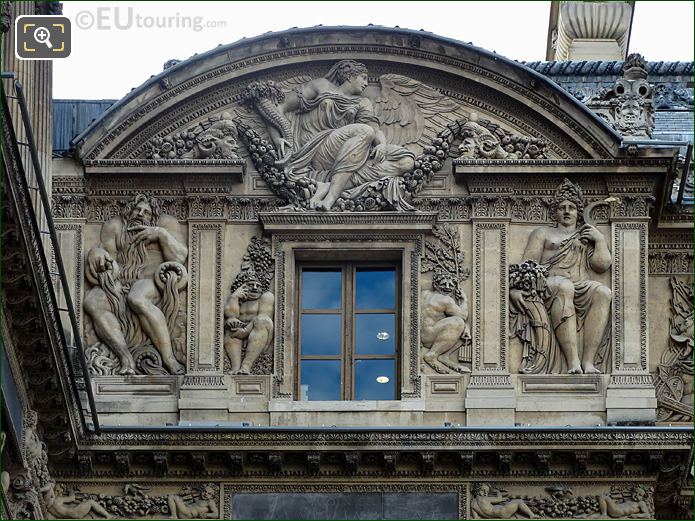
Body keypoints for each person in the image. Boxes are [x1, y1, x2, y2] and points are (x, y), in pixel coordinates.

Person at [260, 60, 415, 210]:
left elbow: (374, 129)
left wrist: (382, 144)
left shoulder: (363, 102)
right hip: (319, 149)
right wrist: (277, 138)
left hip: (350, 151)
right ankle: (331, 197)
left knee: (407, 162)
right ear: (350, 76)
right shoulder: (321, 85)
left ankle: (329, 185)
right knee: (364, 131)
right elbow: (278, 108)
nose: (367, 83)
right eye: (364, 78)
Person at [510, 179, 612, 374]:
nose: (567, 211)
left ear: (579, 212)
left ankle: (588, 363)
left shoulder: (585, 236)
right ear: (554, 212)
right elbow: (527, 266)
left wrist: (599, 240)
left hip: (580, 285)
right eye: (562, 207)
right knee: (565, 287)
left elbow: (602, 265)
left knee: (603, 292)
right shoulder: (543, 233)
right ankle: (573, 362)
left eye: (572, 208)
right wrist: (517, 288)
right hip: (550, 285)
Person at [84, 194, 188, 375]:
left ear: (153, 216)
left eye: (146, 212)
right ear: (129, 211)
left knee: (137, 298)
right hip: (121, 281)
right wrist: (98, 253)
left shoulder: (167, 224)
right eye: (137, 210)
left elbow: (179, 257)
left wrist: (160, 234)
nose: (140, 214)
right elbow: (111, 261)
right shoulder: (115, 227)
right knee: (92, 301)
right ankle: (125, 358)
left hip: (152, 280)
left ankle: (169, 359)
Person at [223, 270, 274, 374]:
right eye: (251, 285)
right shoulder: (240, 300)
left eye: (258, 285)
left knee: (262, 321)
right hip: (240, 334)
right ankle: (236, 368)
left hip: (260, 334)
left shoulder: (266, 297)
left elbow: (263, 316)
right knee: (230, 326)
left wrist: (245, 331)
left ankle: (246, 366)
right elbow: (231, 315)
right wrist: (234, 297)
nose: (255, 288)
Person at [421, 270, 471, 374]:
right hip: (431, 337)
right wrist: (464, 300)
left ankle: (444, 357)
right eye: (444, 284)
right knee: (458, 322)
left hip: (421, 335)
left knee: (464, 325)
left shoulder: (423, 294)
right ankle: (432, 355)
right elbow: (463, 315)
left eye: (451, 285)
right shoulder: (445, 300)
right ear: (435, 285)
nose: (447, 287)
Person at [41, 482, 112, 519]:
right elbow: (72, 498)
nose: (60, 491)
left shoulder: (49, 507)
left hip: (73, 514)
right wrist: (70, 490)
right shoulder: (58, 499)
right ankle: (108, 515)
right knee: (91, 502)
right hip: (76, 512)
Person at [471, 483, 537, 519]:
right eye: (484, 491)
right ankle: (531, 515)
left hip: (496, 515)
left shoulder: (473, 504)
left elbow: (476, 518)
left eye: (487, 492)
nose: (486, 493)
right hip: (502, 511)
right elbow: (499, 499)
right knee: (518, 501)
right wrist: (498, 492)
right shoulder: (483, 498)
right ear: (478, 491)